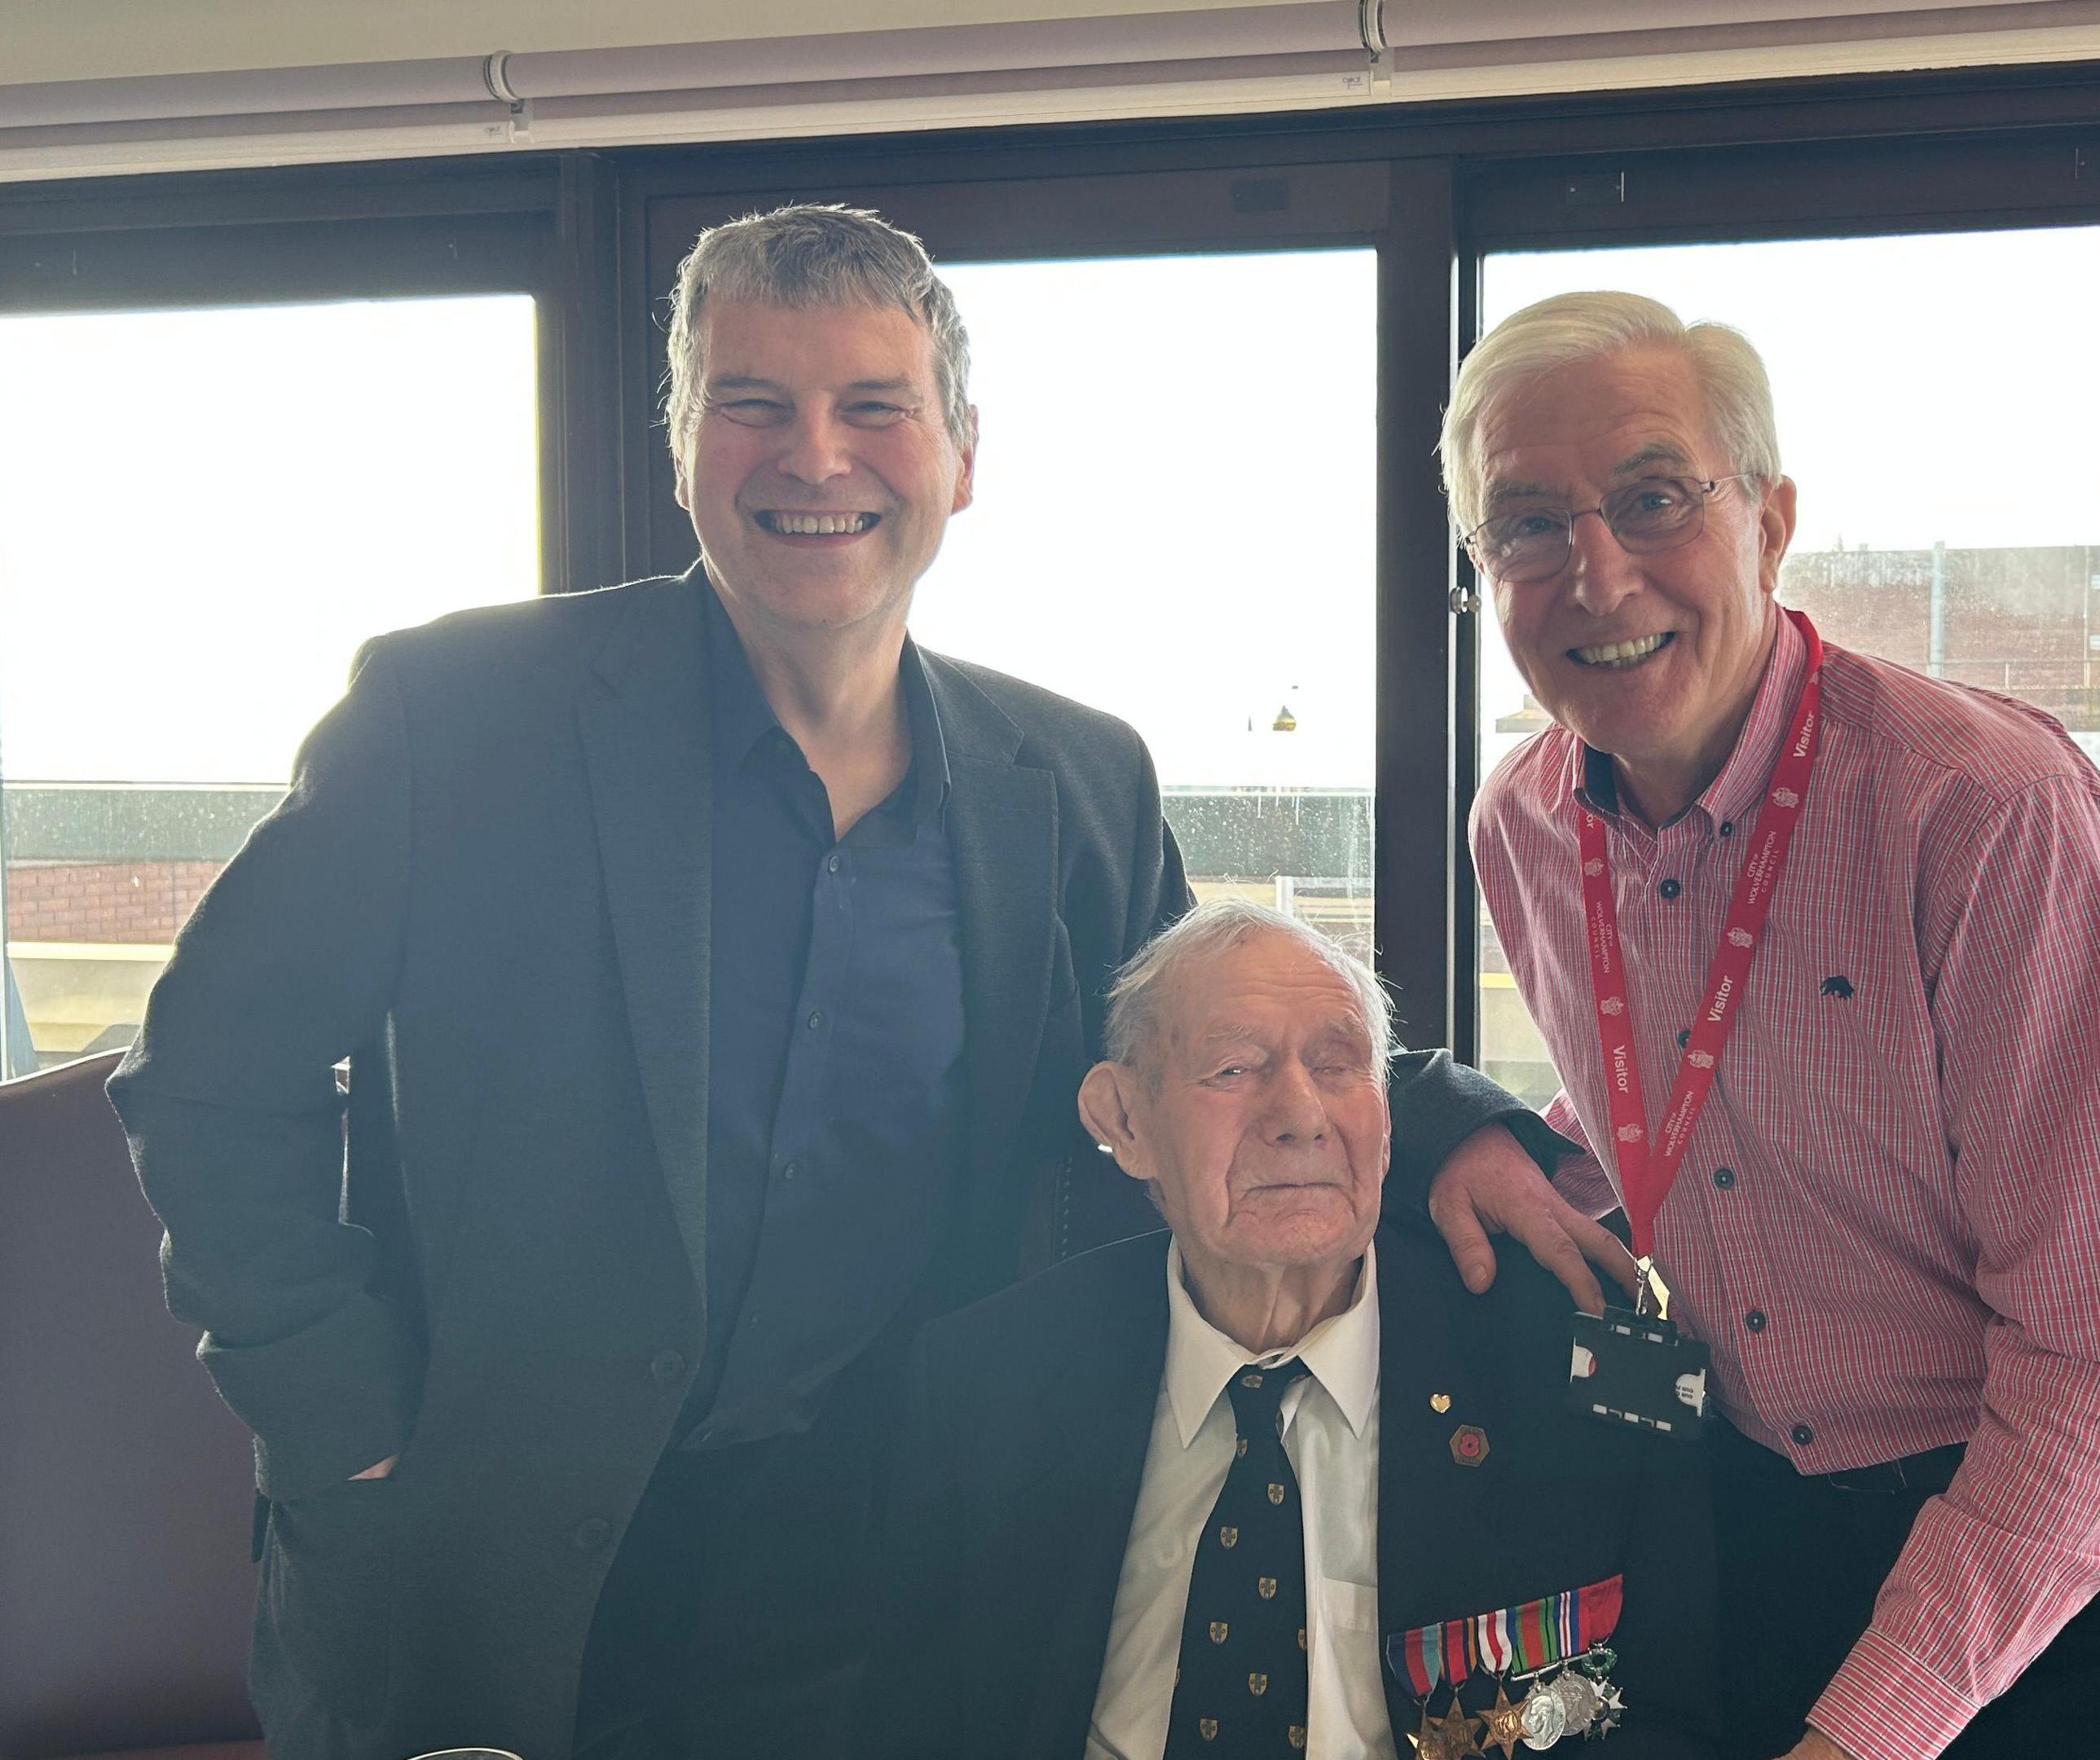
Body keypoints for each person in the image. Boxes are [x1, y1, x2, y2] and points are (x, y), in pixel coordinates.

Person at [112, 204, 1554, 1760]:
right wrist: (346, 1421)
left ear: (961, 453)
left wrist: (1460, 1119)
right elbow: (207, 1070)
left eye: (874, 406)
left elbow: (1205, 1039)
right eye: (754, 404)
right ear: (681, 443)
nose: (816, 457)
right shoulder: (452, 715)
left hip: (891, 1581)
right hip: (480, 1566)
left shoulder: (1072, 783)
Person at [1423, 291, 2100, 1760]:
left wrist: (1876, 1729)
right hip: (1763, 1490)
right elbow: (1672, 1108)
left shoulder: (1984, 811)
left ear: (1771, 519)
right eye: (1528, 524)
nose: (1595, 575)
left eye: (1652, 499)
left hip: (2065, 1487)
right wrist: (1502, 1146)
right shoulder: (1524, 822)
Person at [865, 900, 1716, 1760]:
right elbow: (916, 1724)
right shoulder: (979, 1383)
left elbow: (1680, 1714)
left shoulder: (1589, 1360)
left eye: (1339, 1066)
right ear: (1125, 1121)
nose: (1300, 1114)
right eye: (1234, 1068)